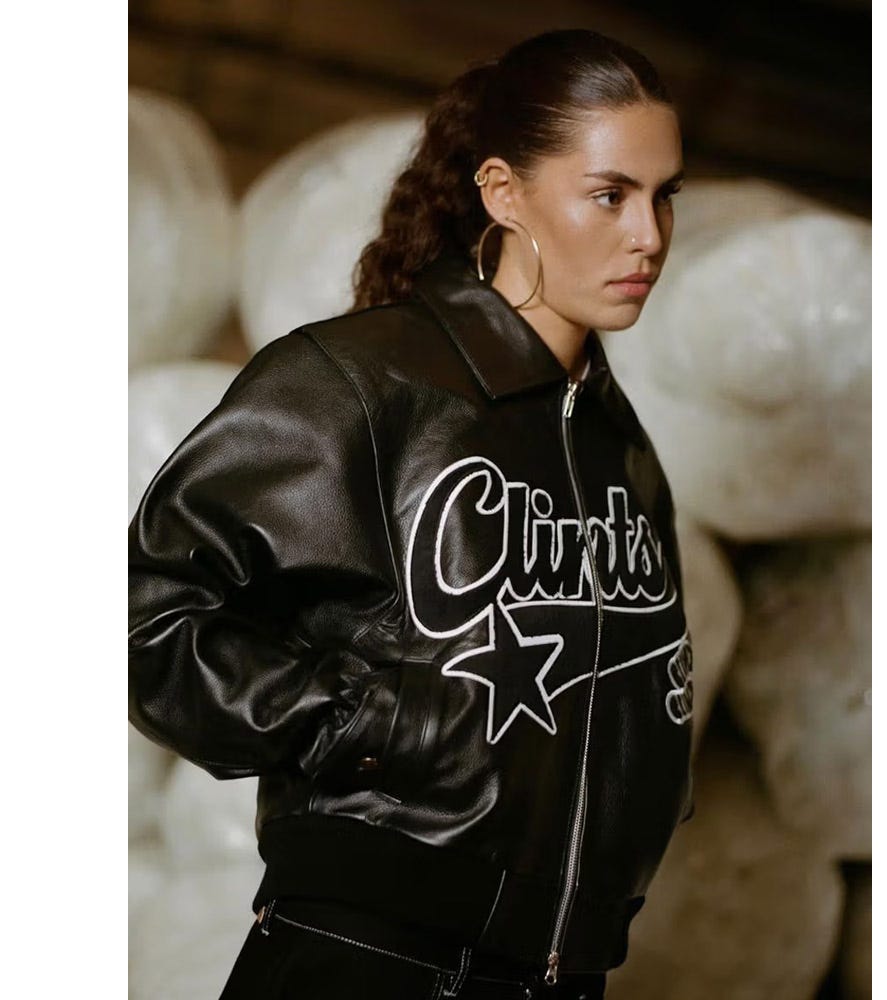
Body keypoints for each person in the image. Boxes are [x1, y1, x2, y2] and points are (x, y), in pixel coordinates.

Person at [129, 27, 695, 1000]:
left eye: (664, 194)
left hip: (564, 974)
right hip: (372, 961)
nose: (648, 234)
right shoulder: (357, 380)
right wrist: (361, 720)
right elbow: (144, 616)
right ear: (503, 192)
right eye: (610, 194)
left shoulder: (623, 449)